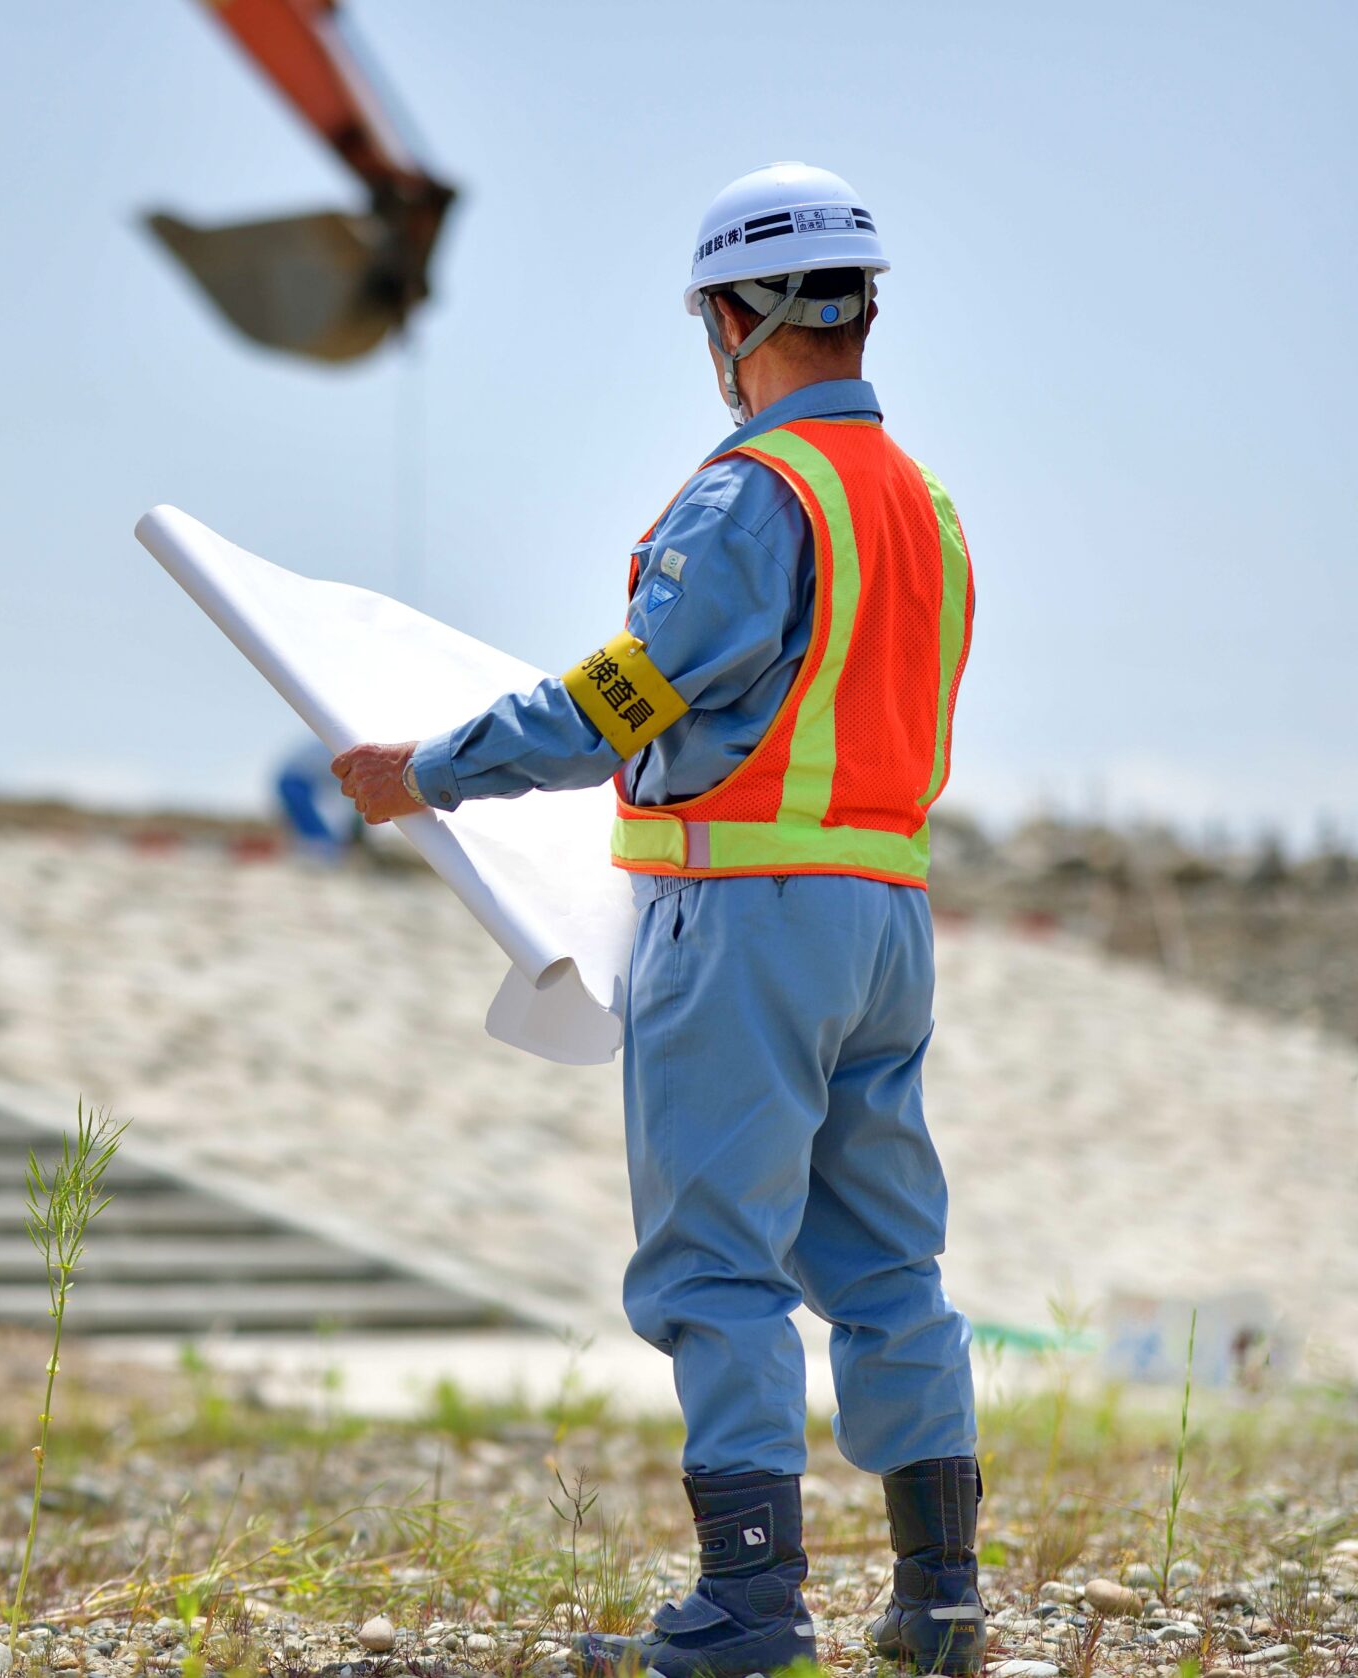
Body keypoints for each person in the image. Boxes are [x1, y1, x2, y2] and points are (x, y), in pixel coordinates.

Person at [330, 163, 984, 1678]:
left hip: (746, 916)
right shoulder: (928, 510)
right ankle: (938, 1594)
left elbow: (625, 694)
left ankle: (751, 1608)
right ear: (860, 305)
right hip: (887, 916)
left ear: (734, 318)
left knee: (718, 1266)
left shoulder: (757, 492)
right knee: (891, 1263)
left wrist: (427, 768)